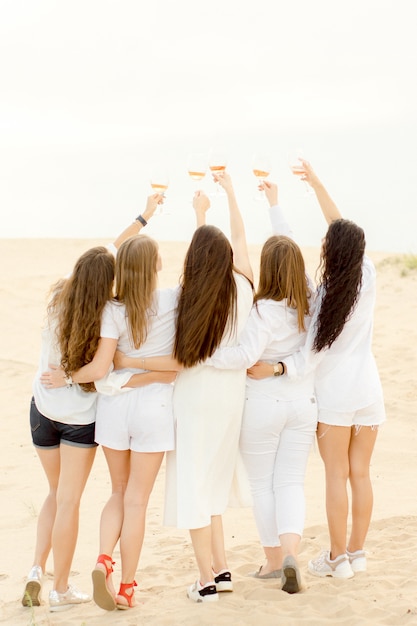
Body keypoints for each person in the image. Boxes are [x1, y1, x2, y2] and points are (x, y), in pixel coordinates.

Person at [115, 172, 254, 603]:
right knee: (212, 480)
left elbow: (123, 255)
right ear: (228, 256)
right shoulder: (245, 285)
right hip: (232, 398)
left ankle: (204, 578)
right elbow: (239, 237)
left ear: (193, 260)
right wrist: (227, 195)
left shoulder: (187, 294)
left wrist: (196, 215)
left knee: (195, 482)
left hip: (193, 398)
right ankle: (222, 567)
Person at [22, 194, 163, 612]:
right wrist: (147, 217)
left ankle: (35, 570)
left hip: (42, 411)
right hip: (79, 421)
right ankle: (61, 588)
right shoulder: (105, 313)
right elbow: (101, 370)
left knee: (53, 493)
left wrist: (143, 217)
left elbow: (113, 248)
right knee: (68, 500)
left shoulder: (59, 295)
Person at [248, 161, 386, 580]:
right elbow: (342, 226)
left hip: (334, 396)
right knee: (360, 474)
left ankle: (337, 558)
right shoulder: (369, 275)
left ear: (329, 252)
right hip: (368, 391)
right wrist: (316, 183)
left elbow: (288, 248)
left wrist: (276, 204)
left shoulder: (322, 296)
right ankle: (357, 554)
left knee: (335, 476)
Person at [204, 180, 317, 594]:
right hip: (303, 403)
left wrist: (204, 355)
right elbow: (287, 244)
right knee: (290, 482)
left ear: (268, 269)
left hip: (263, 406)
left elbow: (242, 358)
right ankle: (291, 555)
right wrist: (274, 203)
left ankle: (273, 561)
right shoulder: (311, 302)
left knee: (262, 484)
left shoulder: (263, 310)